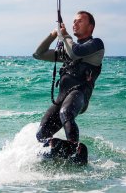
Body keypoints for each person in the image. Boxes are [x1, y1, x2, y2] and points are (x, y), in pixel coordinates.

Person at [33, 11, 104, 146]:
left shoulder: (96, 44)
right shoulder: (68, 48)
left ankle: (73, 147)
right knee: (41, 133)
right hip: (62, 98)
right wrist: (54, 34)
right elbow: (39, 54)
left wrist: (64, 35)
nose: (75, 23)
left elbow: (75, 52)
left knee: (65, 113)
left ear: (90, 27)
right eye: (74, 21)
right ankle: (53, 151)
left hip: (80, 94)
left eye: (79, 21)